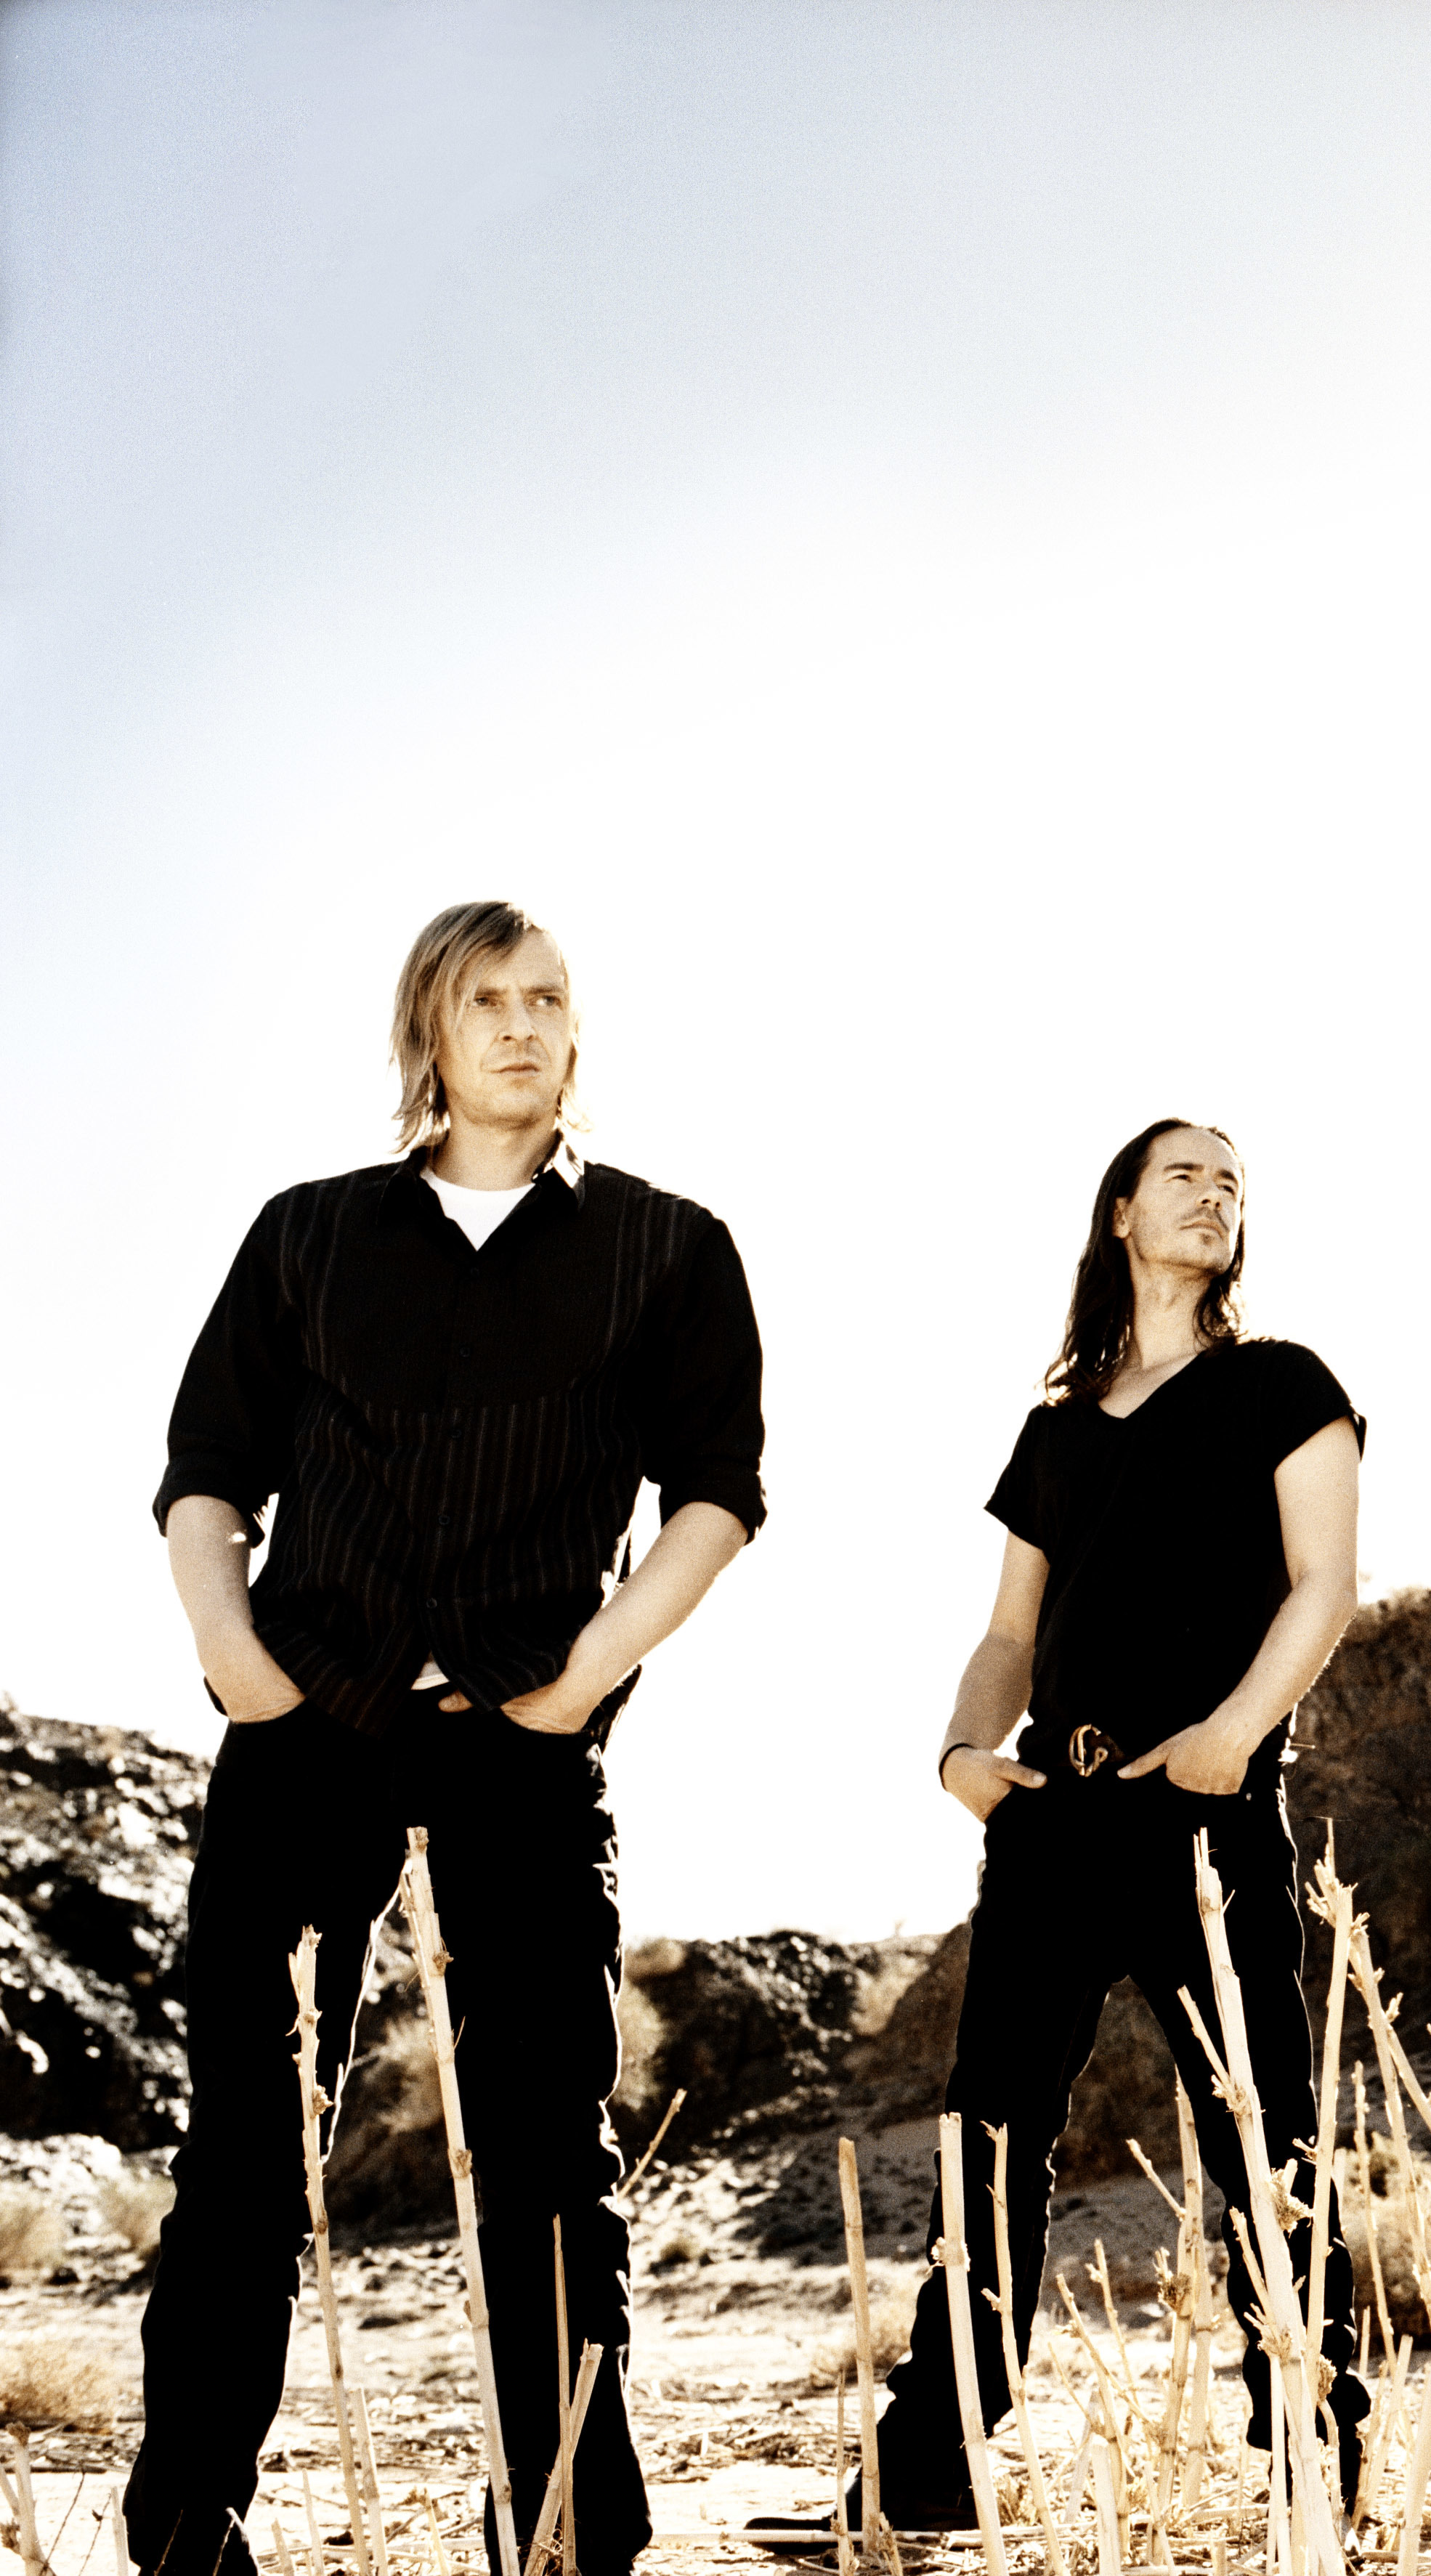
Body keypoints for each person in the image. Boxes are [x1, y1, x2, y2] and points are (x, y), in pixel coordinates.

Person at [134, 901, 764, 2576]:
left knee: (550, 2147)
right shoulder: (308, 1234)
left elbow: (717, 1495)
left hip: (524, 1751)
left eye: (548, 997)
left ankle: (563, 2535)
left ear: (577, 1027)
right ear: (431, 1027)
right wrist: (232, 1656)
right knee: (248, 2143)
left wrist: (588, 1673)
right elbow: (207, 1473)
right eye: (486, 999)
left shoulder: (667, 1247)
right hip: (304, 1732)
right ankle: (187, 2531)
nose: (521, 1024)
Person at [741, 1116, 1367, 2556]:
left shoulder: (1284, 1384)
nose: (1215, 1194)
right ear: (1121, 1212)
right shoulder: (1059, 1429)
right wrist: (963, 1756)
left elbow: (1325, 1583)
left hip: (1205, 1816)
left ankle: (1311, 2459)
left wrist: (1230, 1737)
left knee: (1263, 2139)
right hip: (1051, 1822)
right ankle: (928, 2474)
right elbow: (1008, 1634)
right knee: (989, 2143)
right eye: (1186, 1173)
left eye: (1234, 1182)